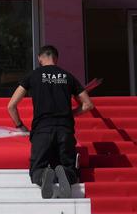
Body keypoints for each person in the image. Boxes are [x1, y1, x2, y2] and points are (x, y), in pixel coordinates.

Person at [6, 45, 93, 199]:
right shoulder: (68, 76)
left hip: (42, 130)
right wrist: (70, 113)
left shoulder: (33, 75)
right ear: (56, 58)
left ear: (39, 58)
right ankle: (65, 174)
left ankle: (43, 175)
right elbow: (88, 104)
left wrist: (20, 125)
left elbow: (11, 105)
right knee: (69, 167)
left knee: (37, 168)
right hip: (65, 130)